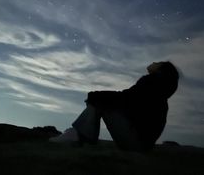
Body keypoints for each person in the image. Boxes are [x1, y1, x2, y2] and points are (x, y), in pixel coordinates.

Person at [50, 61, 179, 152]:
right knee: (100, 100)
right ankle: (79, 136)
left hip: (136, 143)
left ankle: (77, 137)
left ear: (160, 70)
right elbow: (128, 103)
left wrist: (94, 96)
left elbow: (125, 98)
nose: (154, 62)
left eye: (158, 62)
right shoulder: (158, 91)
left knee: (99, 102)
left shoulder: (151, 83)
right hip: (143, 145)